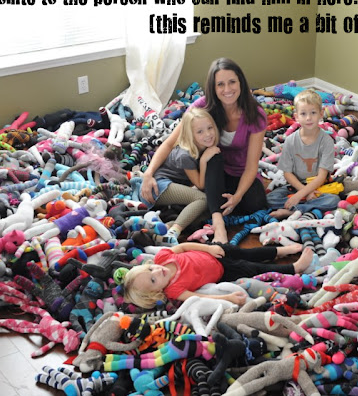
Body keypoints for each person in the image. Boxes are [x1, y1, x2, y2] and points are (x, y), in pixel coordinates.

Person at [142, 58, 268, 244]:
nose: (227, 89)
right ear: (213, 87)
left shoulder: (255, 114)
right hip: (211, 171)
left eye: (232, 82)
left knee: (256, 204)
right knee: (214, 155)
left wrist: (238, 196)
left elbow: (251, 166)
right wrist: (148, 173)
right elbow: (169, 143)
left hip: (240, 173)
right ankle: (218, 223)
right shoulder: (202, 107)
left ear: (241, 82)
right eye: (220, 84)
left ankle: (198, 210)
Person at [122, 242, 312, 309]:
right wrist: (227, 298)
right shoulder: (173, 289)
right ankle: (294, 268)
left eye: (150, 269)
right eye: (153, 279)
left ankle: (281, 250)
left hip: (216, 253)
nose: (157, 271)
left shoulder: (162, 258)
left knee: (249, 252)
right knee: (252, 268)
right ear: (156, 293)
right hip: (224, 271)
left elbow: (184, 247)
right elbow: (199, 296)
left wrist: (209, 248)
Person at [139, 108, 220, 245]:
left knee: (210, 210)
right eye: (200, 131)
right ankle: (174, 232)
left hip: (171, 185)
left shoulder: (201, 146)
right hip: (159, 186)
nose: (207, 134)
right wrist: (203, 160)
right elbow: (200, 185)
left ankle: (166, 227)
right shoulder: (185, 155)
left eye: (210, 128)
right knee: (203, 199)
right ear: (190, 135)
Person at [266, 90, 340, 219]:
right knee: (269, 199)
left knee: (334, 201)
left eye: (313, 113)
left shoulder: (326, 141)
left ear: (321, 114)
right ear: (296, 116)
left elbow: (321, 176)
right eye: (303, 113)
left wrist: (301, 195)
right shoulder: (290, 140)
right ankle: (306, 207)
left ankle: (293, 211)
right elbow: (287, 173)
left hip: (318, 187)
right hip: (295, 185)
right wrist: (302, 192)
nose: (308, 118)